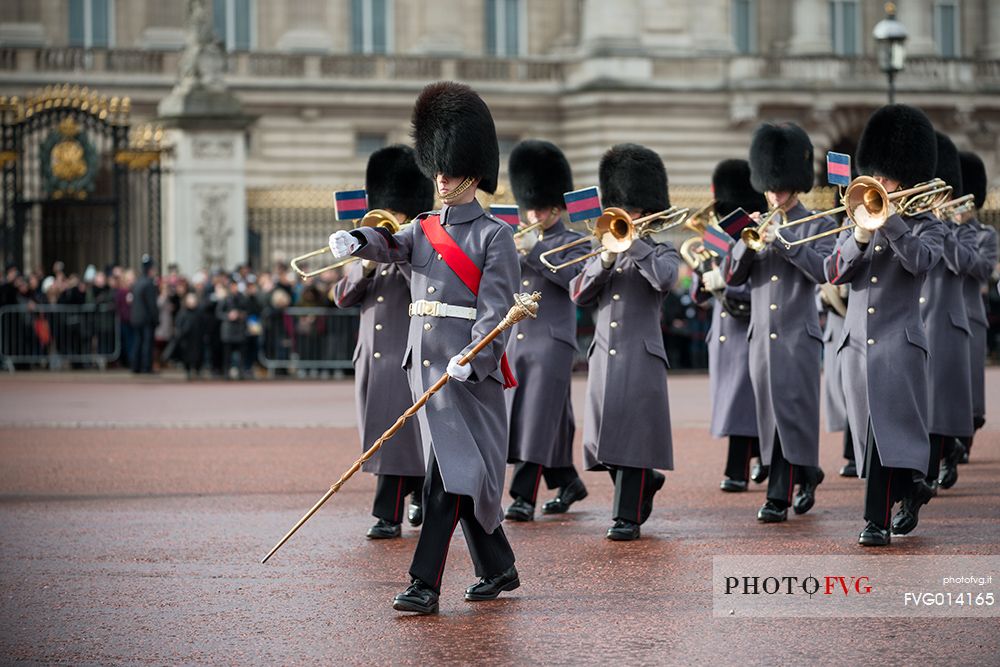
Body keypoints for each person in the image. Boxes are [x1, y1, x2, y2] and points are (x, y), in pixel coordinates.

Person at [328, 81, 520, 614]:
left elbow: (496, 311)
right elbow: (389, 247)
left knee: (450, 481)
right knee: (458, 476)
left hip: (464, 376)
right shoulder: (423, 227)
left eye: (450, 170)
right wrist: (357, 242)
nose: (440, 178)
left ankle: (423, 584)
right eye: (437, 167)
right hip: (425, 372)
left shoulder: (493, 236)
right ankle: (498, 566)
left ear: (473, 175)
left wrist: (475, 357)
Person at [824, 104, 945, 546]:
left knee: (885, 431)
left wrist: (889, 220)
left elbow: (921, 262)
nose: (879, 183)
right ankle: (912, 489)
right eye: (875, 174)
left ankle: (874, 521)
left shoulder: (925, 223)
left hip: (898, 341)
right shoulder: (855, 220)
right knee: (870, 433)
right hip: (856, 344)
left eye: (887, 177)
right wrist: (857, 235)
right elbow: (833, 273)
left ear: (904, 178)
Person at [722, 122, 834, 523]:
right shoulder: (755, 222)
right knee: (769, 416)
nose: (774, 193)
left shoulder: (817, 224)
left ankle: (777, 497)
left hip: (797, 334)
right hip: (760, 339)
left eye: (780, 186)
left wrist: (782, 243)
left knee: (793, 412)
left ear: (795, 184)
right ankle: (807, 473)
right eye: (769, 186)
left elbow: (822, 269)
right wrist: (748, 245)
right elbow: (733, 278)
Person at [569, 143, 679, 541]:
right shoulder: (601, 251)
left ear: (645, 211)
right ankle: (645, 481)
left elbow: (666, 279)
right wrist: (606, 259)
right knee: (603, 441)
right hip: (603, 355)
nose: (624, 216)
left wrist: (633, 243)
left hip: (640, 353)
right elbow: (579, 294)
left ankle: (626, 517)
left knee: (631, 436)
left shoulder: (661, 249)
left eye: (630, 210)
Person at [331, 144, 434, 539]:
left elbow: (428, 289)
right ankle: (416, 497)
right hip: (371, 358)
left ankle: (388, 513)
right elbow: (342, 297)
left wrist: (397, 257)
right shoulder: (368, 254)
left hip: (402, 353)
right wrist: (367, 265)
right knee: (384, 433)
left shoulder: (418, 248)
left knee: (398, 434)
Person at [503, 139, 589, 522]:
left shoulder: (576, 242)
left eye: (539, 207)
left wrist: (535, 252)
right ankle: (567, 480)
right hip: (518, 339)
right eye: (529, 207)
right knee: (536, 415)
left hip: (552, 340)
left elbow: (576, 281)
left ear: (556, 206)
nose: (533, 213)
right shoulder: (518, 243)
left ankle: (523, 495)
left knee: (537, 416)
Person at [694, 159, 765, 492]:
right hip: (721, 330)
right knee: (733, 401)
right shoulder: (716, 236)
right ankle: (761, 458)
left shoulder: (754, 235)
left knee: (742, 400)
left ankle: (737, 468)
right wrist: (703, 275)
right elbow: (699, 293)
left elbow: (760, 286)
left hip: (745, 327)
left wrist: (725, 281)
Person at [916, 132, 974, 497]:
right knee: (919, 403)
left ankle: (940, 458)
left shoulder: (964, 230)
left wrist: (945, 229)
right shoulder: (918, 223)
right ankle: (935, 457)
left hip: (946, 321)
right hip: (916, 320)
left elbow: (972, 265)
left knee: (938, 402)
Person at [955, 151, 997, 463]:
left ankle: (964, 440)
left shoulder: (986, 235)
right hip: (936, 319)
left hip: (969, 318)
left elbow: (982, 269)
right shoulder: (937, 230)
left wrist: (950, 239)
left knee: (967, 390)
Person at [129, 255, 159, 374]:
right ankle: (146, 367)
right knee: (147, 344)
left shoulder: (137, 282)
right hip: (146, 319)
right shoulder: (149, 283)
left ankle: (136, 366)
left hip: (136, 318)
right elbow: (152, 304)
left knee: (137, 342)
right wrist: (156, 318)